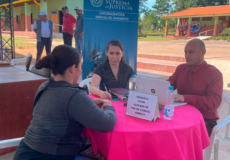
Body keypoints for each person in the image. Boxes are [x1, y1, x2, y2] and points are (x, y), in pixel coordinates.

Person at [13, 45, 117, 160]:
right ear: (73, 68)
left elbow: (59, 107)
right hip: (50, 156)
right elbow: (108, 124)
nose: (81, 70)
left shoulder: (44, 87)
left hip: (23, 152)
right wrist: (109, 106)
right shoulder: (74, 96)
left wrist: (89, 102)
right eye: (80, 66)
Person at [168, 38, 223, 137]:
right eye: (185, 52)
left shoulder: (214, 74)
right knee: (163, 130)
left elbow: (213, 102)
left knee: (179, 138)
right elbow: (168, 85)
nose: (187, 56)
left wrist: (186, 98)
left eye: (191, 52)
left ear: (203, 52)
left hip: (204, 120)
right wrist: (154, 88)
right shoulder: (181, 69)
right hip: (181, 115)